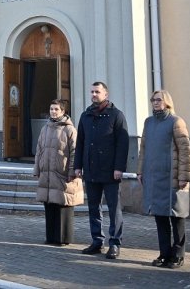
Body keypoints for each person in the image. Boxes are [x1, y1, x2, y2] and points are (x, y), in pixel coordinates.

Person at [136, 90, 190, 269]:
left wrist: (184, 176)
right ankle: (164, 253)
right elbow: (143, 148)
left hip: (172, 178)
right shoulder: (149, 122)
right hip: (154, 178)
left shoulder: (176, 122)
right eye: (153, 100)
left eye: (159, 99)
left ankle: (178, 255)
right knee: (160, 217)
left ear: (167, 101)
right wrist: (140, 171)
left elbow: (185, 151)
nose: (155, 102)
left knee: (177, 217)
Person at [74, 81, 129, 259]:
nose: (94, 94)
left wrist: (119, 168)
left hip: (110, 171)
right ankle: (97, 241)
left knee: (114, 208)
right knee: (93, 208)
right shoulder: (85, 115)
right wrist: (77, 166)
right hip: (91, 170)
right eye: (92, 91)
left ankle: (115, 243)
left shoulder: (116, 115)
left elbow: (123, 144)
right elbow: (80, 143)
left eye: (97, 91)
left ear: (106, 94)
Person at [33, 99, 83, 246]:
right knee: (50, 205)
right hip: (47, 174)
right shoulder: (45, 128)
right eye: (51, 109)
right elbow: (39, 150)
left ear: (63, 111)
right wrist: (37, 169)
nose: (53, 112)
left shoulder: (70, 130)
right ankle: (51, 237)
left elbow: (75, 152)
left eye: (56, 109)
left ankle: (63, 238)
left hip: (62, 174)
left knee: (63, 205)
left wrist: (72, 171)